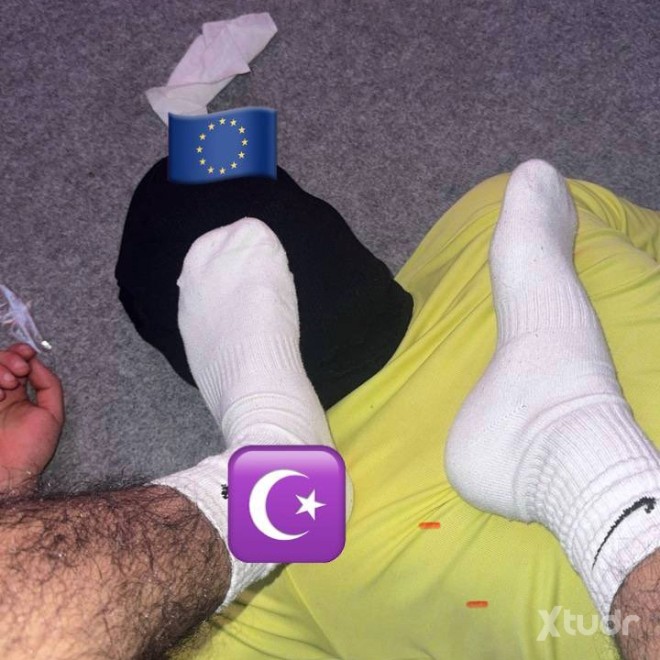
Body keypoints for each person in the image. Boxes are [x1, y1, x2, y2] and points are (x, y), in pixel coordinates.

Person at [0, 160, 657, 659]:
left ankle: (274, 460)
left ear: (193, 363)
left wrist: (10, 489)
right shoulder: (499, 212)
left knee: (244, 534)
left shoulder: (268, 590)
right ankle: (600, 471)